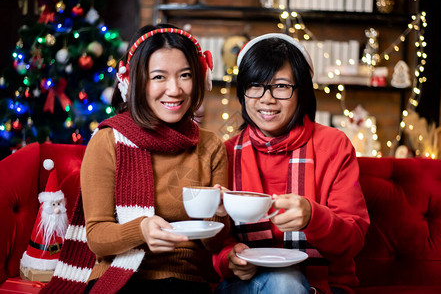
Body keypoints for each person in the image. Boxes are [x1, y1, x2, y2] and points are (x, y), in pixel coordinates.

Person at [41, 24, 229, 294]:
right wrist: (140, 230)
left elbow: (215, 244)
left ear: (200, 77)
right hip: (119, 275)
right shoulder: (108, 141)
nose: (174, 89)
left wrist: (219, 215)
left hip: (185, 278)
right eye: (159, 77)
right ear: (135, 81)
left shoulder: (211, 146)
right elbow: (96, 238)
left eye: (185, 75)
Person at [212, 33, 370, 294]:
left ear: (302, 92)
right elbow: (217, 240)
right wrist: (230, 258)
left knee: (285, 282)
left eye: (281, 86)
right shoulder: (226, 153)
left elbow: (353, 240)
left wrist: (312, 216)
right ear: (243, 92)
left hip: (323, 285)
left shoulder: (334, 145)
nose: (266, 98)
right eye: (254, 85)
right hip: (245, 286)